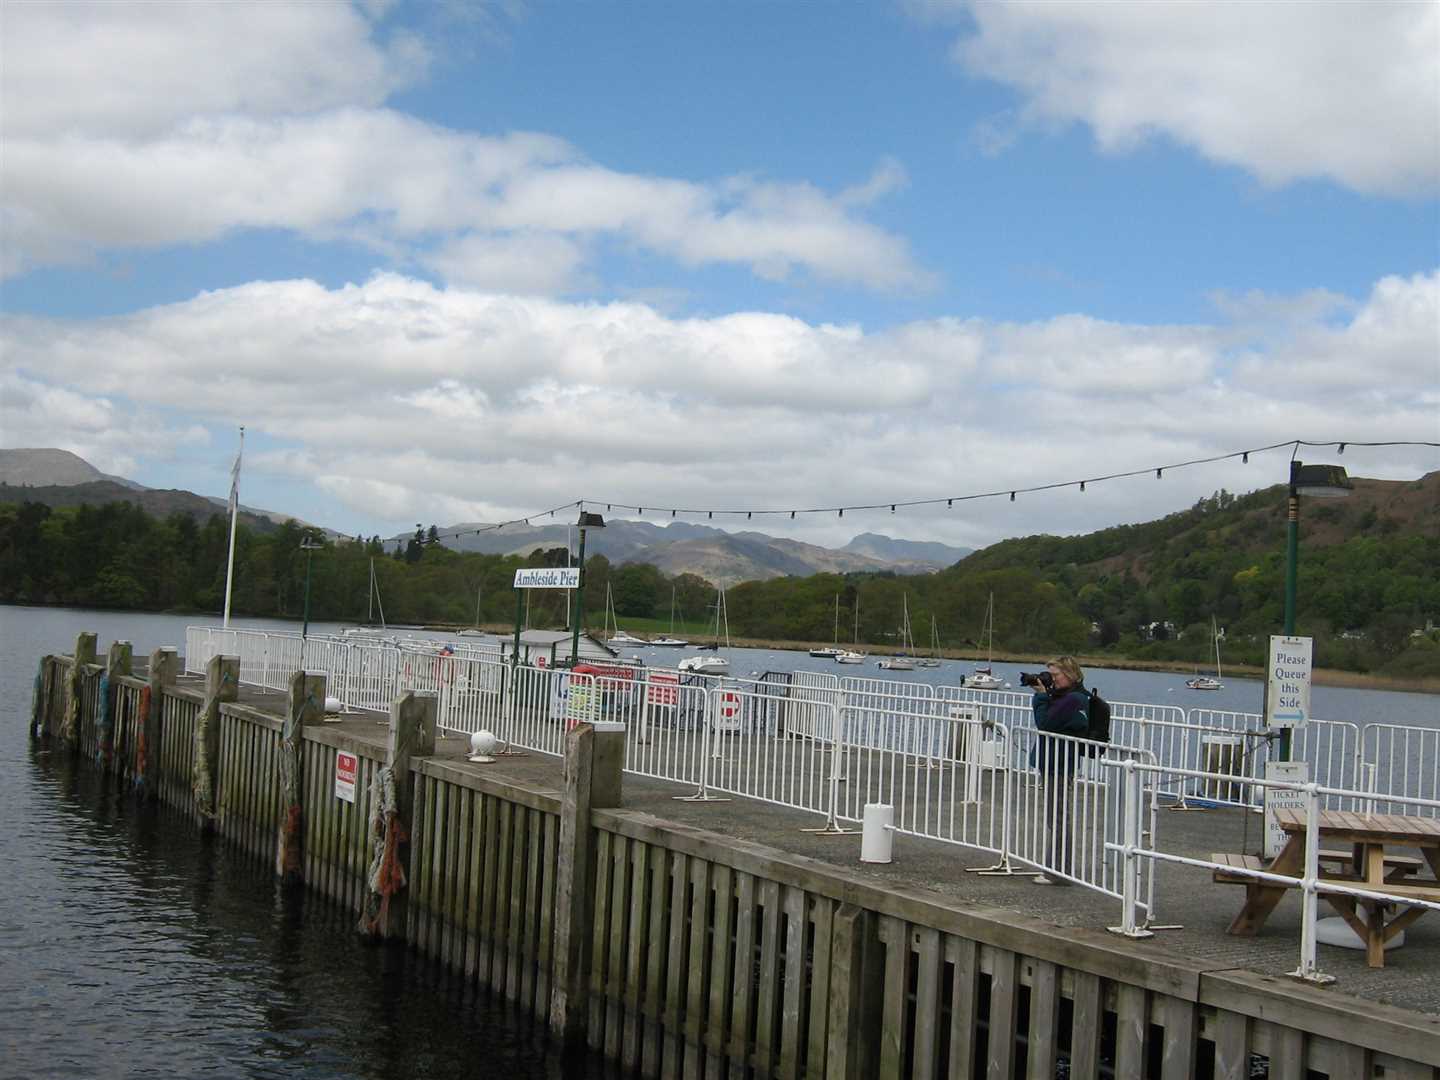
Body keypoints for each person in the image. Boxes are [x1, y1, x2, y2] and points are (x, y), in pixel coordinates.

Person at [1029, 656, 1091, 886]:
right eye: (1051, 675)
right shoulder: (1069, 697)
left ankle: (1059, 872)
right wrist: (1047, 694)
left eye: (1056, 675)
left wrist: (1041, 697)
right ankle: (1055, 869)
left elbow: (1045, 724)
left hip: (1060, 764)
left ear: (1070, 674)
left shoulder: (1074, 699)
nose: (1052, 680)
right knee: (1055, 818)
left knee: (1058, 818)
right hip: (1055, 762)